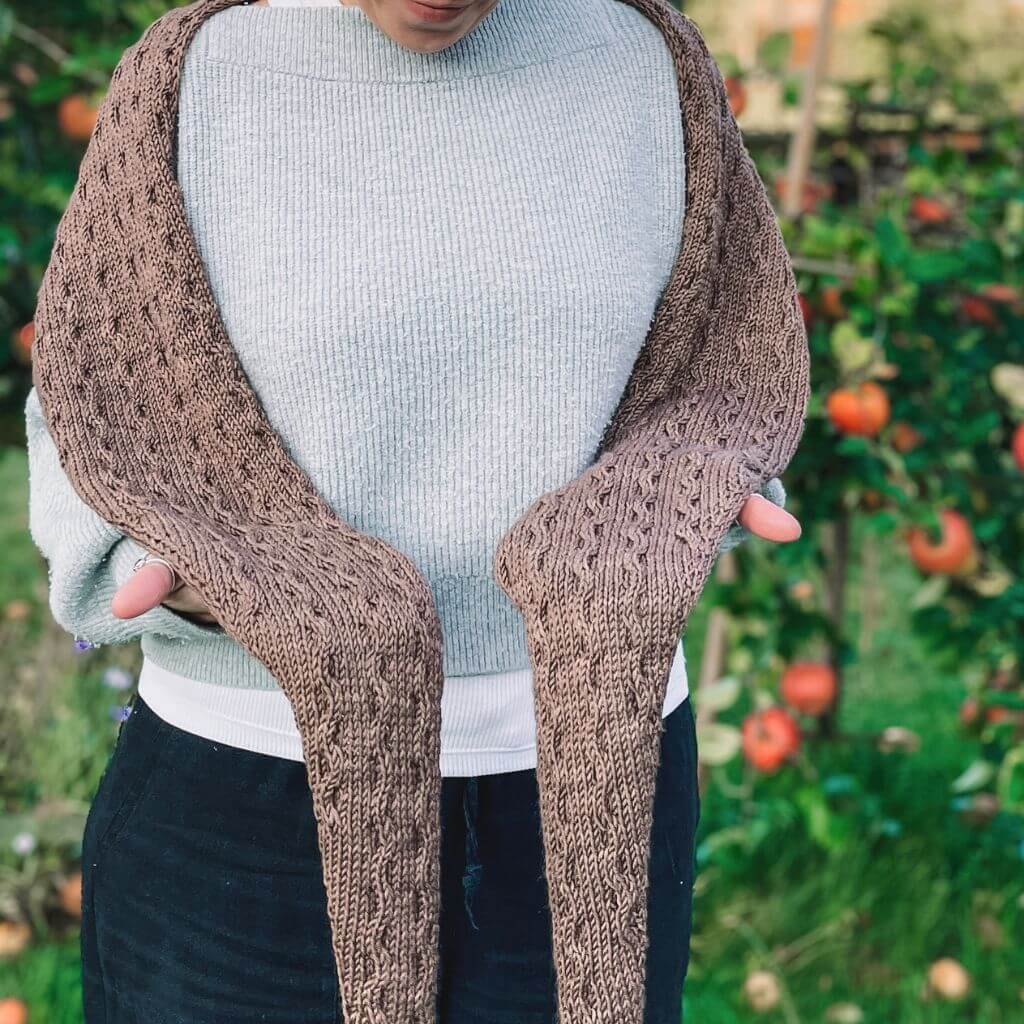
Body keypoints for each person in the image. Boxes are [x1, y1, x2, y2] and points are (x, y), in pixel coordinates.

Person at [25, 0, 801, 1020]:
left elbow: (719, 373)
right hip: (247, 803)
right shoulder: (192, 78)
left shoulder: (647, 64)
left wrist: (679, 493)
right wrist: (183, 572)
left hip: (599, 782)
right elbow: (93, 399)